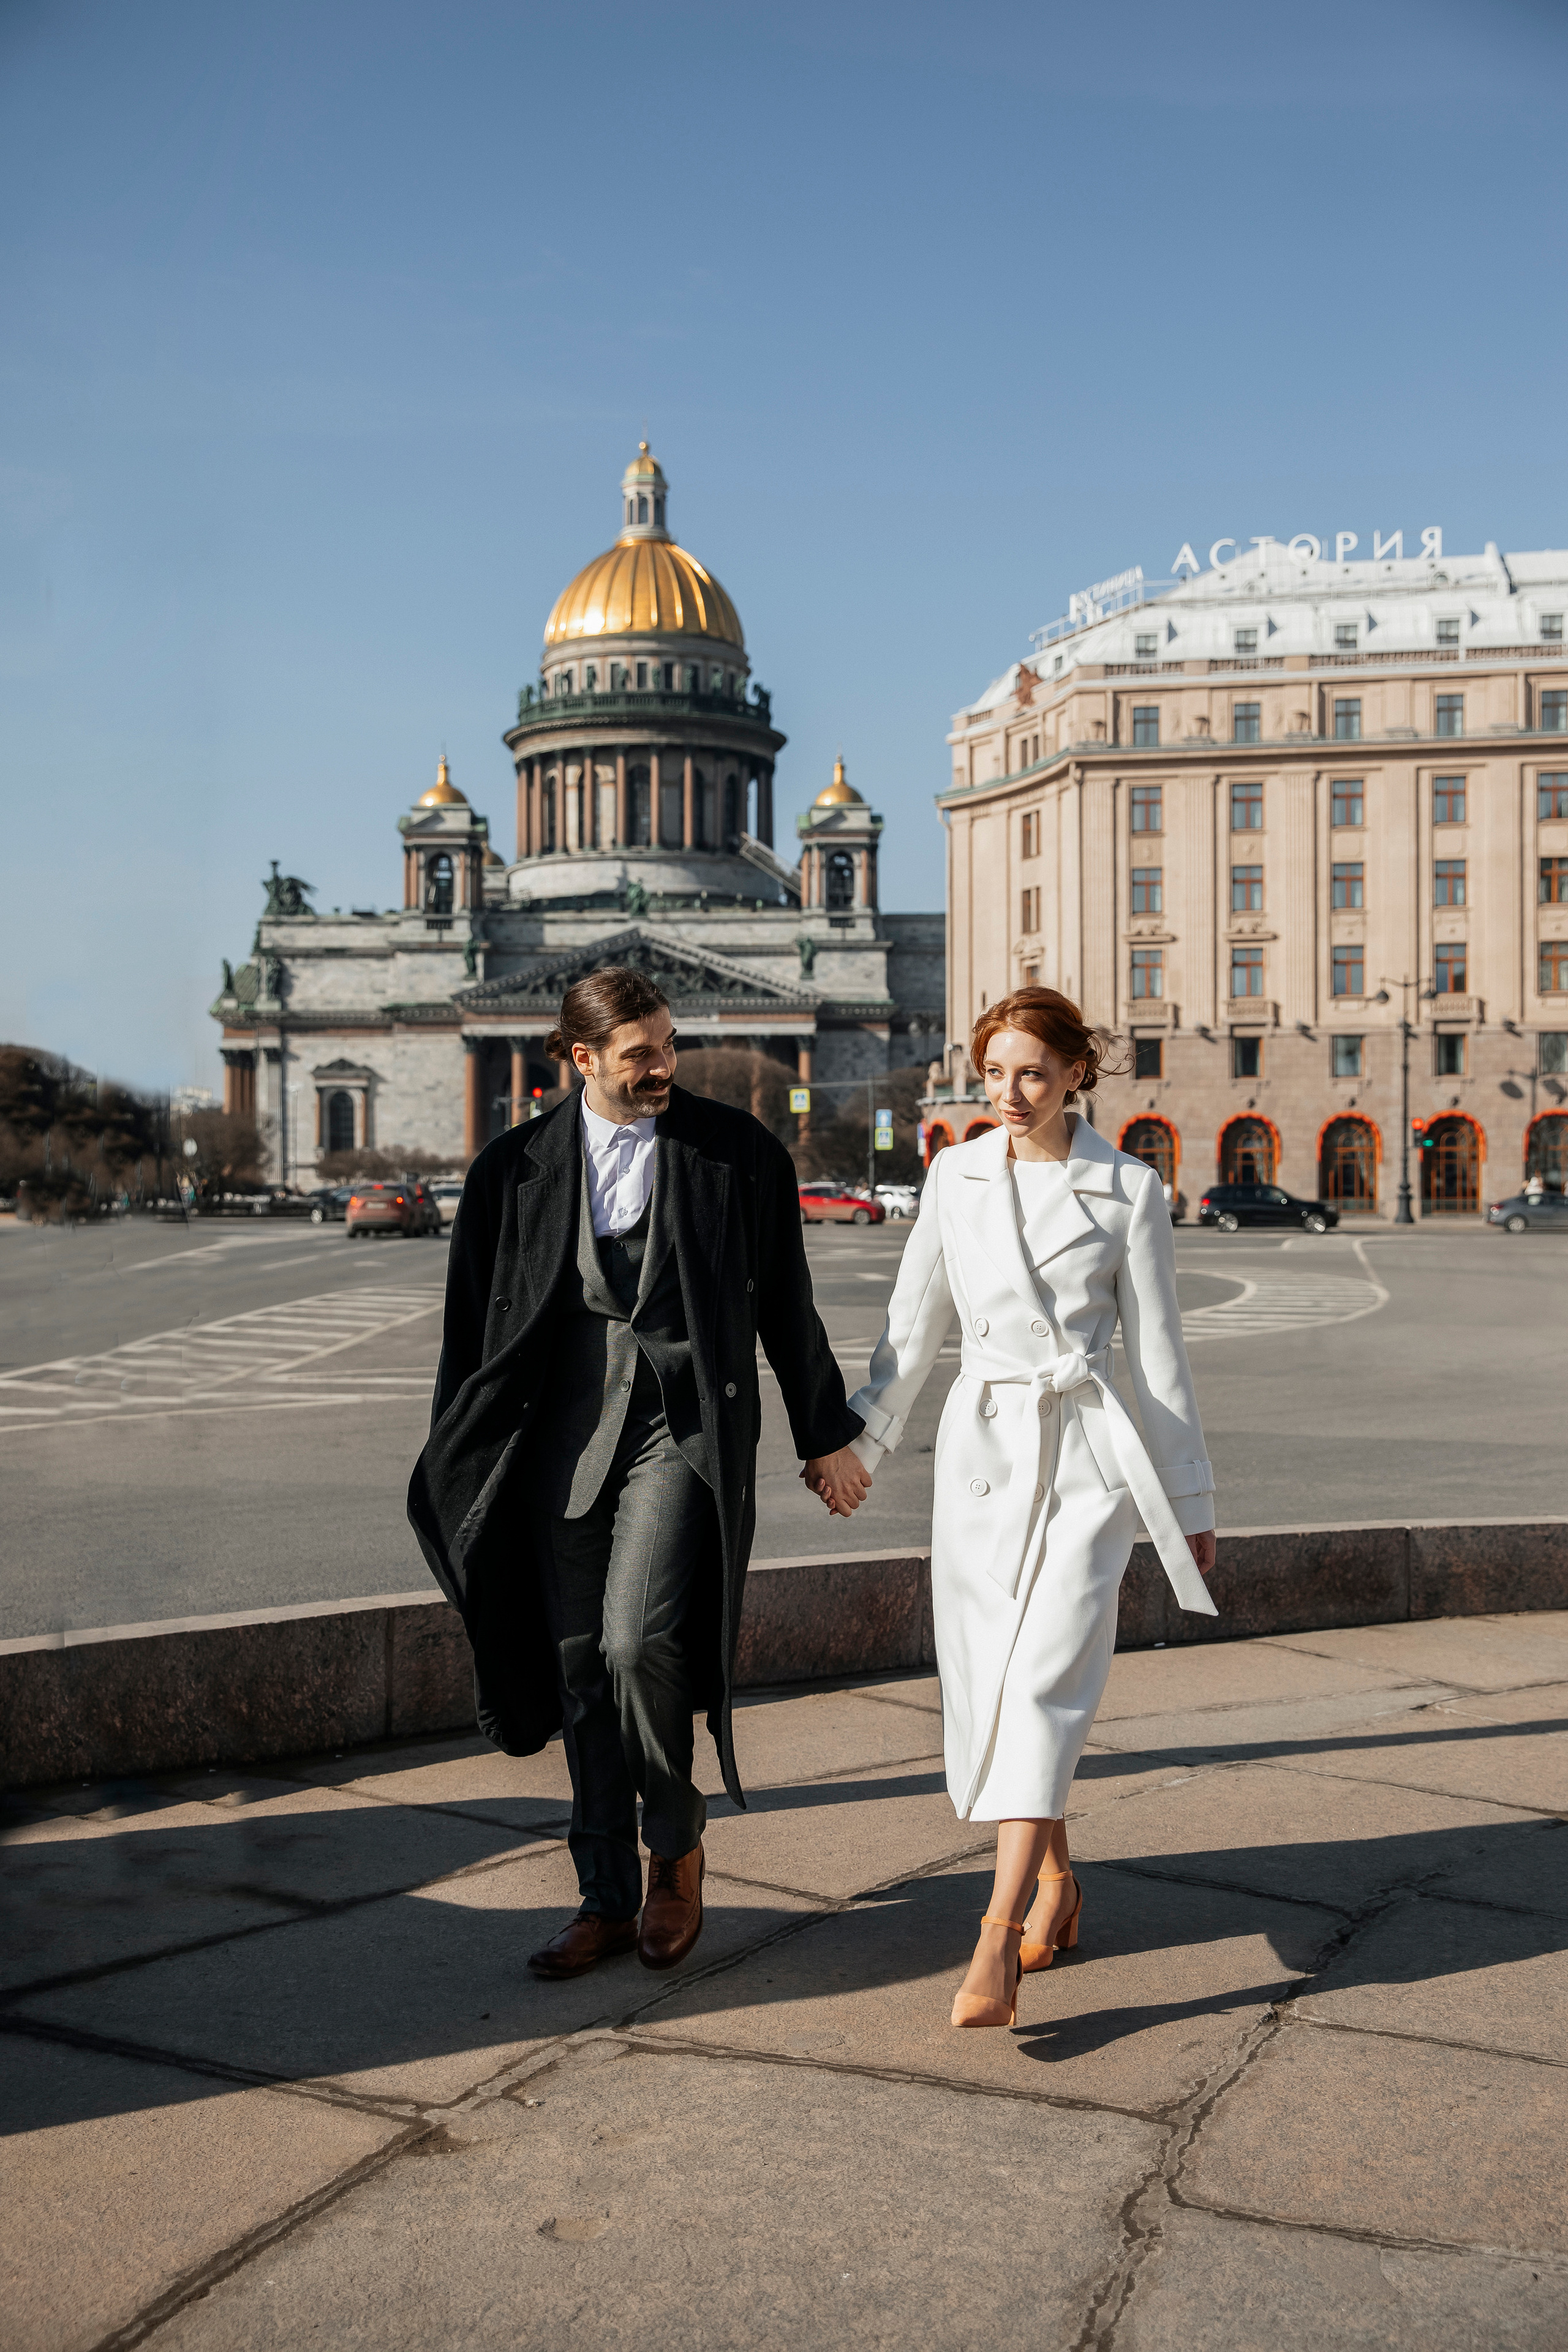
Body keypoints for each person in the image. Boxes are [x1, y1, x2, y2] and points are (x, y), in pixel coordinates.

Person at [409, 967, 867, 1978]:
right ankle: (605, 1899)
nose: (664, 1066)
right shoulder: (510, 1170)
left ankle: (675, 1855)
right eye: (640, 1055)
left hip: (680, 1432)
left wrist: (824, 1432)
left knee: (632, 1643)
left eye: (668, 1046)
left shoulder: (735, 1153)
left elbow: (786, 1301)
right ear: (579, 1061)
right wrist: (459, 1462)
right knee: (577, 1671)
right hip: (555, 1448)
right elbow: (470, 1337)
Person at [810, 987, 1217, 2029]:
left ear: (1079, 1071)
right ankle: (1057, 1881)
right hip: (984, 1456)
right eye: (993, 1074)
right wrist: (859, 1446)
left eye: (1031, 1072)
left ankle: (994, 1939)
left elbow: (1160, 1362)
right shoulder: (954, 1173)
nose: (1008, 1094)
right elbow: (913, 1330)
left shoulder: (1129, 1190)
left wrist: (1187, 1499)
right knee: (997, 1686)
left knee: (1044, 1686)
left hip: (1086, 1462)